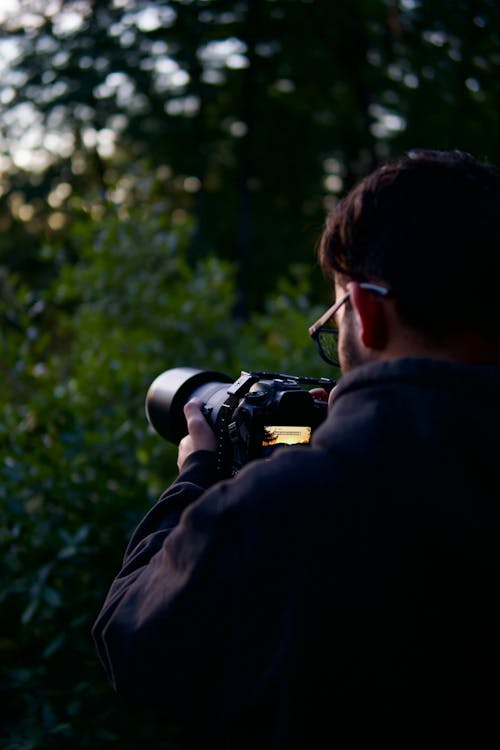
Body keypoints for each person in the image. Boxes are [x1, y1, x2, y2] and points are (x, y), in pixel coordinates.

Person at [93, 149, 500, 748]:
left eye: (333, 320)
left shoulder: (286, 507)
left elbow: (131, 643)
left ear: (363, 310)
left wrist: (197, 476)